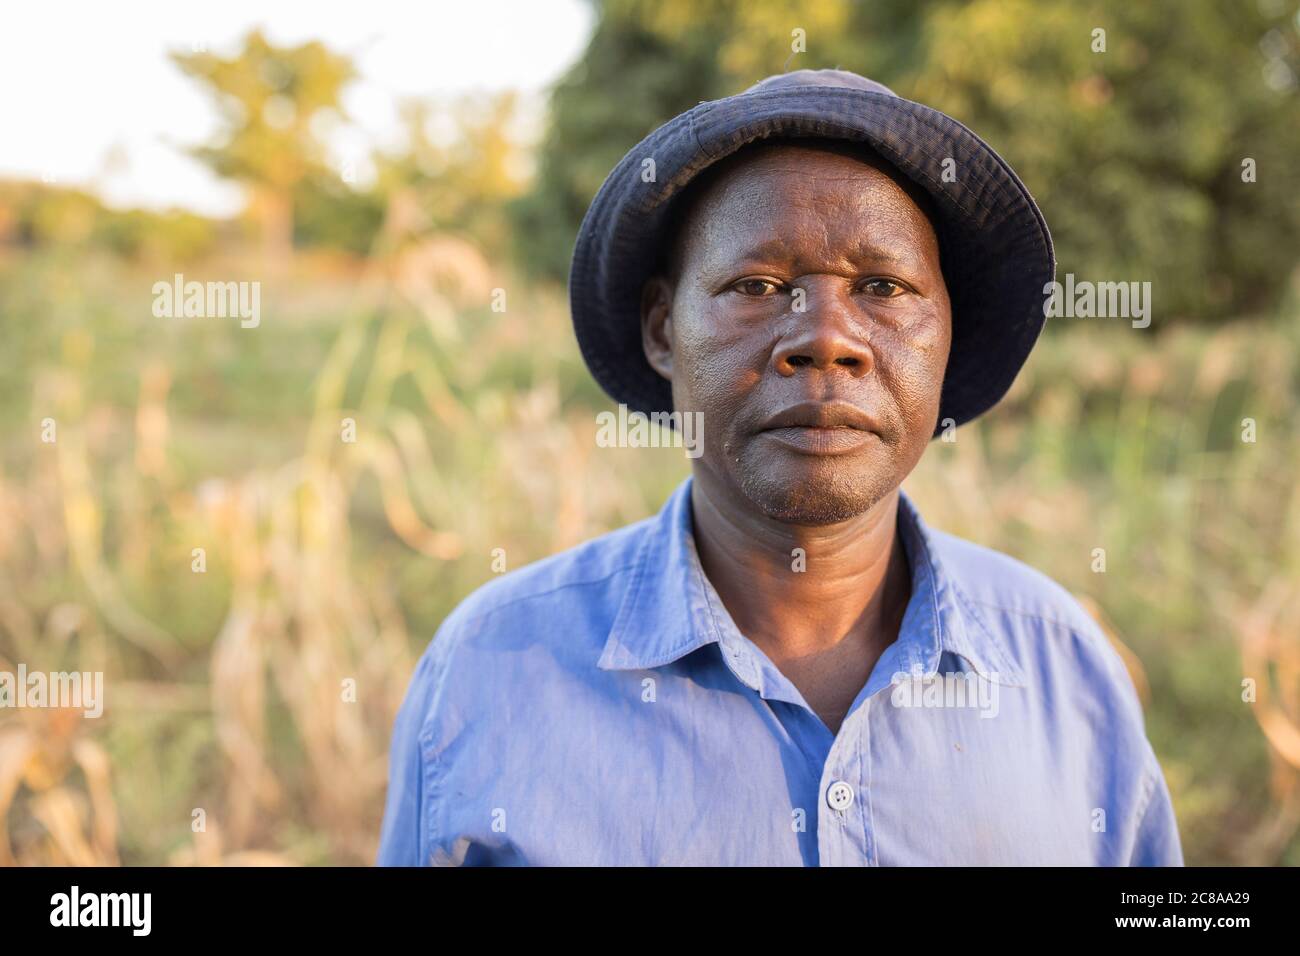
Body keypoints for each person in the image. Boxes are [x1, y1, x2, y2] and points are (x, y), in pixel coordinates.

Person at [377, 69, 1183, 866]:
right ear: (664, 330)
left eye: (882, 285)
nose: (826, 337)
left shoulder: (1061, 666)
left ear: (948, 336)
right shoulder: (488, 668)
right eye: (758, 285)